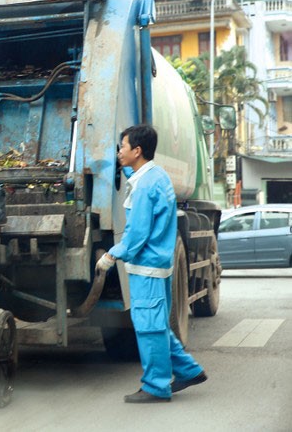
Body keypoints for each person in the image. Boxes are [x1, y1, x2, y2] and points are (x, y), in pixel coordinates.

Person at [96, 124, 207, 404]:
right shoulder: (155, 176)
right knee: (156, 324)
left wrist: (112, 254)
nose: (118, 152)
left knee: (149, 328)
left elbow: (137, 233)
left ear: (137, 150)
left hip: (147, 267)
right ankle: (189, 370)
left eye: (122, 146)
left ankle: (156, 387)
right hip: (157, 265)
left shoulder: (145, 185)